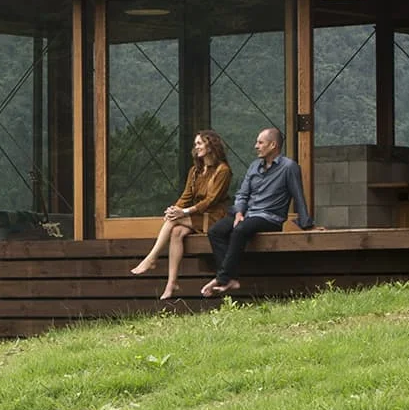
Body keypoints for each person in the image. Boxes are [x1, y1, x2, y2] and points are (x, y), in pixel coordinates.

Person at [201, 125, 312, 296]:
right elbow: (242, 194)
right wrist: (239, 212)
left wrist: (307, 225)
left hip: (269, 217)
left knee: (239, 230)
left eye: (260, 142)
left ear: (273, 145)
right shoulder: (254, 166)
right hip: (247, 214)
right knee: (216, 231)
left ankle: (223, 278)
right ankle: (230, 278)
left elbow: (299, 196)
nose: (256, 146)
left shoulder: (289, 167)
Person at [129, 130, 232, 299]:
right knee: (176, 231)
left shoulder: (223, 170)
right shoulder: (195, 171)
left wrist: (182, 212)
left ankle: (151, 258)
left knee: (174, 221)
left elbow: (211, 200)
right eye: (195, 144)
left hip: (215, 217)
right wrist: (173, 209)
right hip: (197, 216)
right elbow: (186, 196)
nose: (196, 147)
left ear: (210, 145)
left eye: (199, 143)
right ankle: (172, 284)